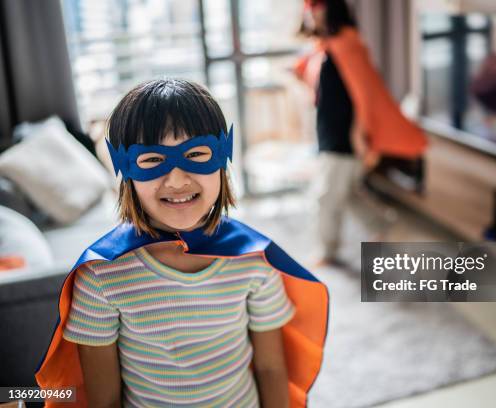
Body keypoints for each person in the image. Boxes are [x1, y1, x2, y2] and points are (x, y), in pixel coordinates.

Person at [35, 79, 328, 407]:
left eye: (195, 154)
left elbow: (271, 368)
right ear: (125, 169)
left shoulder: (254, 261)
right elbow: (104, 399)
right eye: (152, 160)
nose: (176, 179)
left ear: (222, 157)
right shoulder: (102, 277)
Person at [296, 0, 428, 264]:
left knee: (326, 196)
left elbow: (363, 94)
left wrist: (359, 133)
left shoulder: (346, 44)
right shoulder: (326, 47)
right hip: (329, 130)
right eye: (309, 9)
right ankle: (384, 225)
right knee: (347, 192)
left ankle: (327, 249)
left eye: (317, 8)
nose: (312, 15)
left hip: (344, 135)